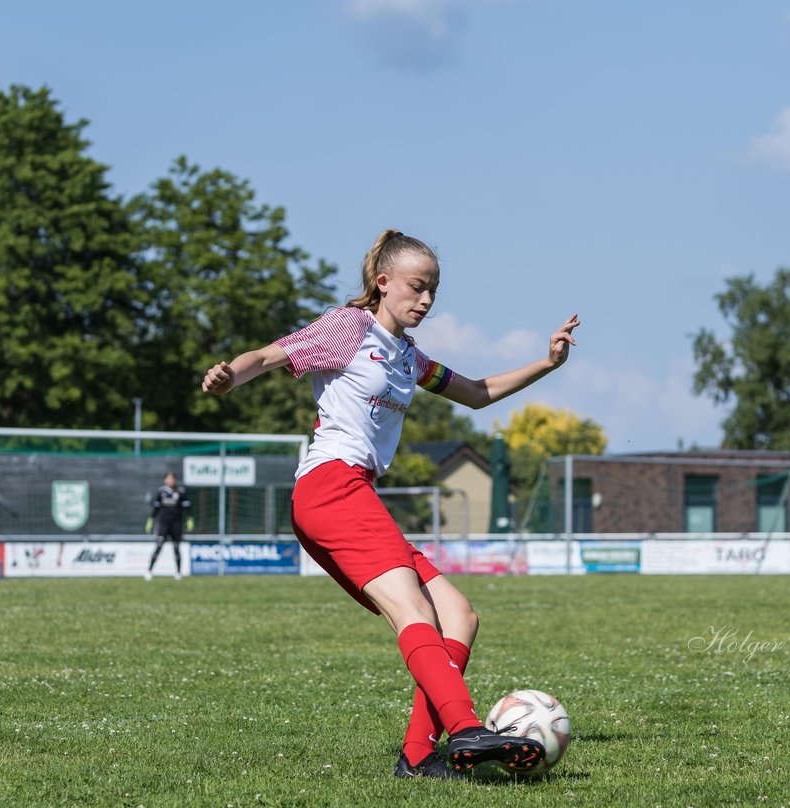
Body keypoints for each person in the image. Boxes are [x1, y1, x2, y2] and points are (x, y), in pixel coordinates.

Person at [201, 228, 579, 779]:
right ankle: (467, 729)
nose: (425, 300)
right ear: (383, 282)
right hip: (330, 486)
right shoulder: (348, 328)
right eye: (416, 287)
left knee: (460, 615)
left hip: (356, 493)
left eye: (434, 291)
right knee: (415, 610)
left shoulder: (409, 358)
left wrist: (546, 365)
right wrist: (229, 376)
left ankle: (420, 756)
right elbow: (267, 356)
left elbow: (476, 393)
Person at [145, 471, 192, 580]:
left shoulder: (181, 491)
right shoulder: (161, 492)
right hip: (164, 524)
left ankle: (178, 573)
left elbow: (187, 507)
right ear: (165, 480)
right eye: (168, 478)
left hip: (176, 524)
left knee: (176, 548)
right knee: (159, 546)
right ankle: (149, 571)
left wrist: (189, 520)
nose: (170, 481)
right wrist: (151, 520)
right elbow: (156, 507)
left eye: (172, 478)